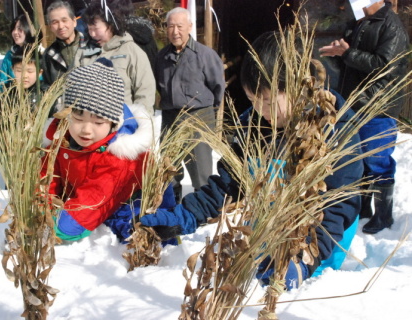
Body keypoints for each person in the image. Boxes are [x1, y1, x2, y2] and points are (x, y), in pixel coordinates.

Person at [141, 31, 364, 290]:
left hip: (315, 257)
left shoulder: (334, 129)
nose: (261, 110)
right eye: (252, 100)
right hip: (260, 241)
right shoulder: (253, 125)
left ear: (300, 86)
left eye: (268, 101)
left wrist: (302, 262)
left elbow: (337, 205)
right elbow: (229, 184)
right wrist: (187, 214)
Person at [42, 58, 161, 241]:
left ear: (113, 123)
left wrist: (52, 225)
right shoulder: (62, 141)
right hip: (83, 202)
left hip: (129, 214)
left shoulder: (120, 157)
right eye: (78, 118)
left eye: (98, 122)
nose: (86, 130)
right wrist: (40, 208)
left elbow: (87, 209)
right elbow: (45, 180)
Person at [319, 0, 409, 234]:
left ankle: (384, 215)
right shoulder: (359, 23)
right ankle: (364, 208)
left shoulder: (390, 25)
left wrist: (347, 53)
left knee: (377, 158)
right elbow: (355, 63)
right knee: (357, 158)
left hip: (377, 105)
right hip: (355, 103)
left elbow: (385, 65)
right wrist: (338, 55)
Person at [154, 7, 225, 201]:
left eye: (180, 26)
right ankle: (171, 205)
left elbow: (218, 86)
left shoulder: (205, 55)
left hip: (199, 116)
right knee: (170, 165)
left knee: (200, 167)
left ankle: (201, 207)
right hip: (170, 118)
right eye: (171, 26)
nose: (175, 31)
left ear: (190, 27)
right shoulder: (161, 57)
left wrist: (211, 113)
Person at [81, 0, 156, 114]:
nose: (92, 34)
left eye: (96, 29)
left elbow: (145, 91)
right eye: (89, 29)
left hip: (122, 124)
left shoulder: (131, 51)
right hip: (89, 125)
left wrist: (139, 122)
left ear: (111, 24)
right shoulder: (84, 51)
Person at [42, 0, 99, 89]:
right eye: (55, 22)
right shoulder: (49, 55)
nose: (60, 26)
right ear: (50, 27)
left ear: (74, 21)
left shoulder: (93, 47)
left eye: (64, 20)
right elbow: (47, 87)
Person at [0, 14, 42, 88]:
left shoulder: (42, 54)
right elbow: (1, 84)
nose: (15, 32)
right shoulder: (9, 55)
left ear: (29, 29)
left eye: (19, 29)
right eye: (13, 29)